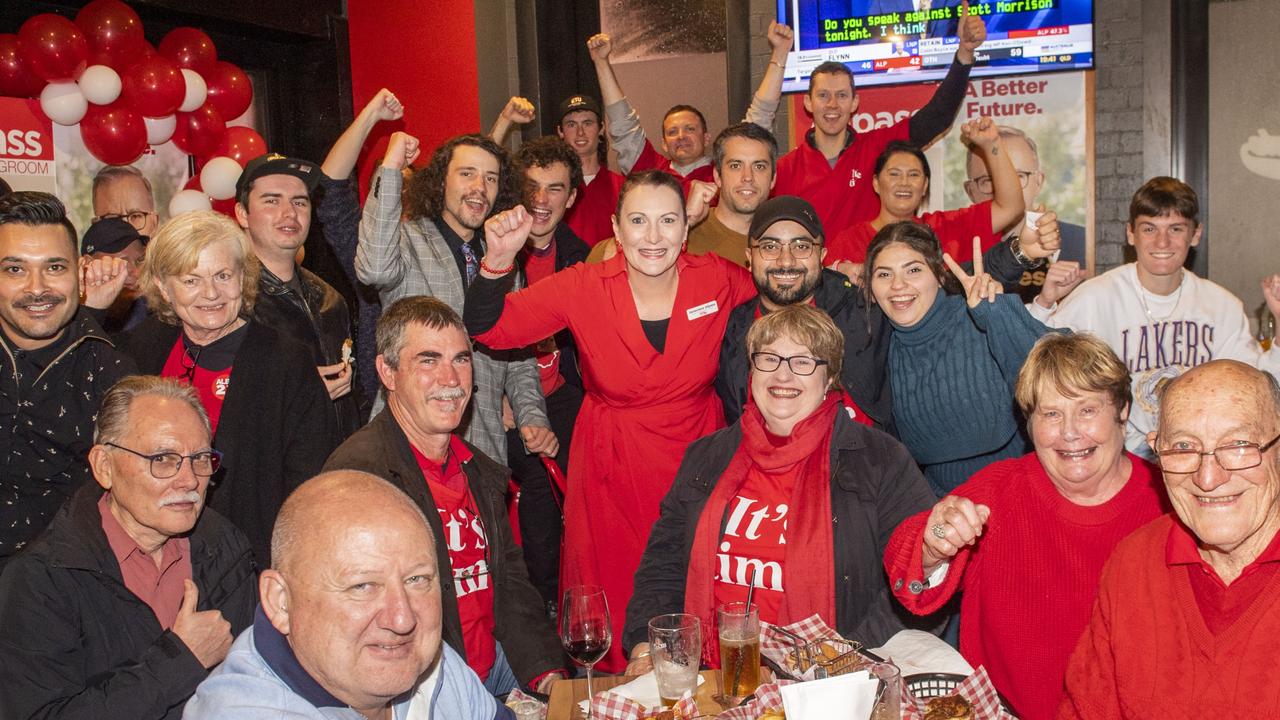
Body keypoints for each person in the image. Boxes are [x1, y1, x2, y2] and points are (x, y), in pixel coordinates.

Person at [464, 170, 756, 670]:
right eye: (638, 221)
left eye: (668, 221)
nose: (653, 236)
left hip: (697, 463)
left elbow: (783, 303)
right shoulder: (583, 285)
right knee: (618, 597)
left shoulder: (719, 277)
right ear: (616, 230)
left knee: (698, 589)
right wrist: (495, 261)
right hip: (611, 466)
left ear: (686, 228)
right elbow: (489, 329)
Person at [625, 304, 938, 670]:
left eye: (803, 362)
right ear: (751, 371)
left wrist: (836, 661)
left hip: (826, 677)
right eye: (769, 359)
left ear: (830, 378)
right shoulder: (707, 455)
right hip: (711, 671)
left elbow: (916, 582)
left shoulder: (880, 460)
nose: (783, 375)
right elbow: (663, 564)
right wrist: (649, 647)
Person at [883, 334, 1167, 720]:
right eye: (1050, 414)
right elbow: (910, 577)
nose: (1069, 432)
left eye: (1087, 410)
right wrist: (933, 546)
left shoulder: (1168, 503)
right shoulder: (999, 490)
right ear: (1028, 424)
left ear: (1122, 411)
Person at [324, 297, 565, 695]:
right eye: (428, 360)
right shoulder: (359, 477)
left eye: (461, 359)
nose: (451, 380)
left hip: (492, 667)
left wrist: (547, 675)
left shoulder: (478, 470)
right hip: (419, 684)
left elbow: (512, 585)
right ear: (387, 371)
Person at [0, 376, 255, 719]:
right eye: (163, 459)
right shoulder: (40, 581)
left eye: (200, 458)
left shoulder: (225, 545)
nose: (190, 479)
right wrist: (179, 662)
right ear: (105, 467)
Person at [184, 470, 511, 719]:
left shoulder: (424, 660)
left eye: (417, 579)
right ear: (280, 602)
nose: (403, 618)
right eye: (363, 586)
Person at [1059, 360, 1280, 717]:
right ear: (1155, 450)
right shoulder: (1135, 561)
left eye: (1239, 444)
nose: (1208, 478)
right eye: (1183, 447)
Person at [716, 195, 1046, 431]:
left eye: (801, 246)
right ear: (749, 256)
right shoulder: (736, 329)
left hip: (865, 482)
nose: (786, 260)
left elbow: (938, 280)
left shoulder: (860, 303)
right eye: (770, 247)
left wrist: (1020, 253)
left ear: (822, 254)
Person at [118, 210, 335, 568]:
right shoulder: (144, 347)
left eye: (223, 275)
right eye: (191, 280)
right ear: (162, 286)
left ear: (242, 278)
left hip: (248, 561)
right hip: (150, 557)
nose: (211, 293)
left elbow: (311, 481)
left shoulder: (285, 361)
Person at [1029, 177, 1280, 459]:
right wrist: (1046, 302)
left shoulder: (1222, 306)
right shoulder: (1095, 298)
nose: (1162, 241)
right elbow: (1031, 361)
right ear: (1131, 234)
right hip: (1121, 455)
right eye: (1149, 228)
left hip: (1202, 451)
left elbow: (1260, 392)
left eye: (1175, 229)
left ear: (1195, 235)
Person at [357, 131, 554, 466]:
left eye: (491, 178)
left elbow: (518, 352)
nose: (480, 187)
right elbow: (372, 268)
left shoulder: (504, 259)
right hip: (410, 443)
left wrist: (531, 415)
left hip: (485, 444)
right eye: (467, 174)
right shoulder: (407, 241)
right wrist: (391, 167)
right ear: (440, 183)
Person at [758, 14, 987, 240]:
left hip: (873, 273)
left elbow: (938, 116)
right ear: (808, 103)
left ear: (854, 103)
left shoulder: (878, 148)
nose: (832, 104)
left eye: (842, 95)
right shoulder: (785, 170)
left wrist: (964, 55)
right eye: (823, 95)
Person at [865, 221, 1052, 495]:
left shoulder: (978, 314)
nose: (898, 286)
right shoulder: (878, 346)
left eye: (913, 270)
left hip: (1024, 497)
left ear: (940, 276)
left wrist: (996, 312)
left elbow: (1058, 370)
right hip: (944, 516)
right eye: (883, 274)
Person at [0, 192, 136, 566]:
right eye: (15, 269)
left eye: (54, 267)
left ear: (80, 273)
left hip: (56, 595)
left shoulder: (114, 378)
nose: (37, 287)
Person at [506, 136, 591, 609]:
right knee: (536, 483)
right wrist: (496, 396)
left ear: (572, 197)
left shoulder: (582, 256)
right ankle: (543, 606)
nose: (541, 200)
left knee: (594, 464)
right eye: (532, 187)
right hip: (492, 397)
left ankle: (576, 596)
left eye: (554, 188)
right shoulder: (493, 248)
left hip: (560, 391)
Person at [236, 152, 359, 440]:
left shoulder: (330, 300)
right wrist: (292, 392)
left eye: (299, 202)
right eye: (271, 200)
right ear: (242, 214)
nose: (289, 213)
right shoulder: (229, 300)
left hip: (336, 467)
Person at [587, 22, 795, 192]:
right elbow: (623, 124)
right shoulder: (648, 170)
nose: (681, 136)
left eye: (690, 129)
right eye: (672, 132)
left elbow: (760, 118)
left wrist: (779, 53)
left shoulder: (726, 169)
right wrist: (601, 62)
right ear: (664, 144)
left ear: (706, 138)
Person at [826, 118, 1045, 278]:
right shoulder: (848, 242)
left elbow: (1011, 206)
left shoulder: (946, 228)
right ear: (875, 183)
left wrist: (992, 145)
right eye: (894, 174)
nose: (904, 182)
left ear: (925, 186)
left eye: (914, 175)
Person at [317, 87, 404, 410]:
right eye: (389, 188)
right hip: (382, 407)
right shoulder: (365, 248)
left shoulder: (439, 245)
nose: (395, 200)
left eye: (404, 188)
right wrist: (371, 115)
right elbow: (330, 190)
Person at [963, 125, 1087, 301]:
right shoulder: (950, 253)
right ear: (970, 190)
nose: (1004, 189)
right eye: (988, 180)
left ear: (1038, 182)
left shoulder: (1083, 245)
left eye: (1018, 177)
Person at [684, 122, 779, 267]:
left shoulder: (785, 242)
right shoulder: (686, 234)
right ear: (717, 176)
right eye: (735, 166)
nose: (748, 177)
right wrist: (687, 221)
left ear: (773, 179)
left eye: (759, 166)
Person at [557, 94, 625, 247]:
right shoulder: (553, 187)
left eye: (587, 123)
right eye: (571, 124)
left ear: (601, 128)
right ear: (560, 131)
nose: (580, 132)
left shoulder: (622, 187)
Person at [80, 216, 150, 332]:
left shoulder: (158, 312)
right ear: (88, 263)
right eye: (122, 263)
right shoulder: (73, 320)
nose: (136, 272)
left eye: (140, 261)